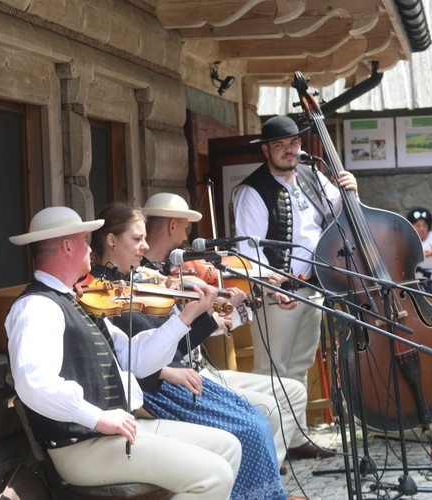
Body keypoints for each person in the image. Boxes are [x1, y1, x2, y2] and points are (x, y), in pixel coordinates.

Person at [6, 206, 241, 498]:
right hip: (81, 448)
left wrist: (184, 319)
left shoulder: (78, 299)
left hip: (114, 432)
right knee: (213, 476)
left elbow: (137, 359)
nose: (90, 248)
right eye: (84, 239)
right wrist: (96, 417)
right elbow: (34, 382)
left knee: (228, 446)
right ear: (66, 246)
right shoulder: (36, 306)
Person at [89, 202, 287, 500]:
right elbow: (108, 358)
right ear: (111, 240)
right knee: (251, 430)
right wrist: (165, 369)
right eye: (136, 239)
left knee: (255, 419)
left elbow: (174, 342)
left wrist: (203, 313)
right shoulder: (96, 293)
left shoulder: (141, 280)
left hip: (174, 380)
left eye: (144, 239)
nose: (144, 247)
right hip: (152, 391)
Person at [140, 192, 311, 469]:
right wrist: (220, 311)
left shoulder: (180, 268)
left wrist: (253, 297)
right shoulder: (146, 279)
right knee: (269, 411)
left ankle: (268, 475)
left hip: (200, 369)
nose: (187, 235)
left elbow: (216, 323)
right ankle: (262, 476)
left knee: (292, 391)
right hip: (181, 376)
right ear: (172, 225)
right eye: (185, 227)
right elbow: (183, 333)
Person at [233, 115, 357, 459]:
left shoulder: (312, 174)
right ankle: (269, 452)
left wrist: (350, 188)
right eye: (279, 145)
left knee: (300, 364)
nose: (289, 150)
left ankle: (294, 438)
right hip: (278, 293)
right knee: (271, 370)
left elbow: (340, 210)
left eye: (294, 143)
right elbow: (250, 251)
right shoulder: (251, 191)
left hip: (313, 286)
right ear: (265, 150)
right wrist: (275, 288)